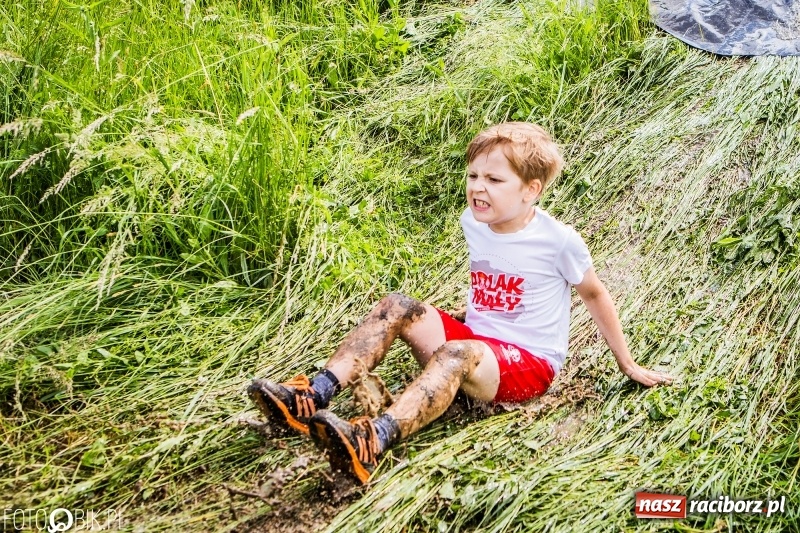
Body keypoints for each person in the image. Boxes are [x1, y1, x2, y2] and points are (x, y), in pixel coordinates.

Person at [248, 122, 673, 485]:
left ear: (531, 190)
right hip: (475, 343)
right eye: (473, 175)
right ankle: (310, 396)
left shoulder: (558, 241)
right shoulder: (475, 220)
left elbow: (595, 294)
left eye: (494, 180)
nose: (477, 188)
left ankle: (371, 441)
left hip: (526, 364)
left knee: (457, 351)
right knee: (398, 304)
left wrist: (628, 364)